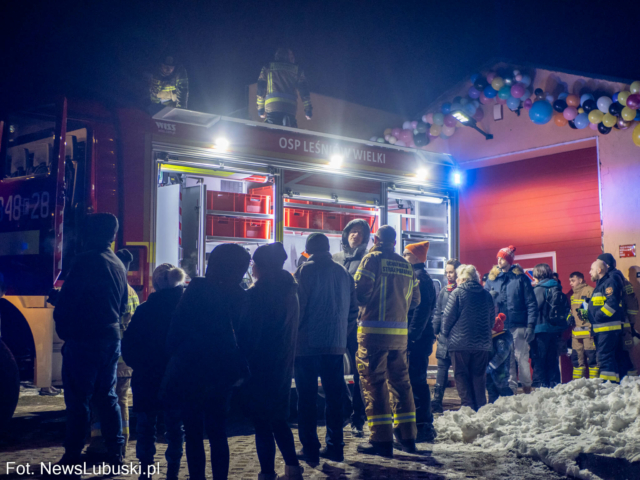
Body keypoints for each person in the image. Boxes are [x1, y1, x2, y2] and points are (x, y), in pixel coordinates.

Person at [163, 244, 250, 480]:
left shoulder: (198, 289)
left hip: (191, 372)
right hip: (223, 375)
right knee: (218, 433)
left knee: (193, 434)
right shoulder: (241, 296)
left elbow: (175, 331)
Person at [53, 213, 128, 468]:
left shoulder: (84, 261)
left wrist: (63, 324)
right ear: (112, 235)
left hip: (84, 339)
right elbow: (119, 305)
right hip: (110, 338)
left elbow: (68, 303)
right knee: (107, 398)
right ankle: (116, 453)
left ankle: (72, 455)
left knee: (78, 400)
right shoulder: (117, 263)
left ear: (89, 234)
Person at [235, 243, 304, 480]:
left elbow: (250, 335)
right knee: (278, 419)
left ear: (259, 266)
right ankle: (293, 469)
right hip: (283, 364)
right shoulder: (291, 290)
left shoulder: (256, 295)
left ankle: (266, 472)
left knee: (262, 424)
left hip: (260, 366)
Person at [354, 225, 420, 457]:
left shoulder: (371, 260)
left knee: (375, 385)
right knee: (402, 385)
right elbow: (416, 301)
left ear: (375, 239)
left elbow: (360, 294)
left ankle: (381, 441)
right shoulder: (406, 265)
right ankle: (408, 438)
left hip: (373, 336)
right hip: (399, 337)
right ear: (395, 242)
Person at [293, 233, 358, 463]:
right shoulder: (343, 272)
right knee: (334, 397)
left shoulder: (304, 271)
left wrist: (294, 335)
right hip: (335, 346)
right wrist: (342, 333)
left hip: (308, 346)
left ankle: (310, 447)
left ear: (308, 249)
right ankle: (335, 447)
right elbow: (353, 310)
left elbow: (297, 309)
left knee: (307, 399)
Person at [121, 264, 186, 480]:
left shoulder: (145, 310)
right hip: (177, 378)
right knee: (175, 428)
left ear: (157, 283)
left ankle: (146, 473)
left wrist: (139, 365)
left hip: (146, 378)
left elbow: (128, 345)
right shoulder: (185, 309)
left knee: (145, 428)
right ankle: (173, 474)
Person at [87, 249, 139, 458]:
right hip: (124, 358)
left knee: (105, 401)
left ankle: (103, 445)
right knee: (120, 400)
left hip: (110, 356)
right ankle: (118, 444)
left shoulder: (113, 290)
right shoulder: (131, 292)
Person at [333, 219, 371, 437]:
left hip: (357, 324)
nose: (355, 235)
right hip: (336, 323)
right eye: (352, 232)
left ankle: (358, 417)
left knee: (359, 373)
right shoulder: (336, 259)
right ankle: (346, 408)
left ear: (365, 237)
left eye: (359, 233)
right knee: (334, 371)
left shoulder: (367, 260)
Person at [485, 245, 539, 394]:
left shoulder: (520, 279)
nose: (499, 260)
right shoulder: (492, 280)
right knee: (507, 360)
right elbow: (484, 302)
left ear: (509, 260)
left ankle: (527, 388)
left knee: (521, 358)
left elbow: (531, 303)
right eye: (498, 258)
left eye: (502, 258)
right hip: (499, 328)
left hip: (518, 324)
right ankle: (511, 390)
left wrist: (530, 326)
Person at [441, 264, 494, 411]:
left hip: (460, 343)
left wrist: (444, 334)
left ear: (463, 278)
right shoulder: (486, 295)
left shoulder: (457, 293)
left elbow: (447, 318)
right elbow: (491, 319)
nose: (456, 280)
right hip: (482, 344)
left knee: (461, 375)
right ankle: (481, 407)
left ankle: (467, 406)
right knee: (479, 376)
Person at [402, 241, 437, 442]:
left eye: (407, 254)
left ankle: (423, 424)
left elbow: (421, 311)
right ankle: (422, 423)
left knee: (417, 381)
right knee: (417, 381)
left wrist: (412, 336)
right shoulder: (419, 277)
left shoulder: (420, 279)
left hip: (418, 339)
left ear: (416, 257)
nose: (404, 257)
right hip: (419, 338)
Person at [587, 254, 625, 383]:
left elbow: (612, 304)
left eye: (591, 269)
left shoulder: (609, 282)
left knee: (604, 357)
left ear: (599, 270)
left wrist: (597, 316)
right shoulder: (601, 284)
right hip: (602, 328)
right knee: (606, 357)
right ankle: (612, 383)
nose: (589, 272)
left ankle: (608, 386)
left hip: (607, 328)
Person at [531, 264, 569, 389]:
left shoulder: (539, 289)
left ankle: (540, 387)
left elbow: (533, 309)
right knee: (552, 361)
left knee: (539, 360)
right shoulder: (556, 287)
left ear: (538, 275)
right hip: (555, 330)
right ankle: (554, 386)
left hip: (541, 330)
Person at [431, 258, 461, 414]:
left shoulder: (461, 290)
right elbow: (438, 312)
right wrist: (435, 330)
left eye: (451, 272)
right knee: (441, 369)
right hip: (444, 336)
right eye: (447, 272)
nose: (449, 275)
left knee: (460, 370)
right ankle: (437, 401)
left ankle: (466, 400)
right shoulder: (443, 291)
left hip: (459, 337)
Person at [256, 47, 312, 128]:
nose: (294, 58)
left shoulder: (268, 67)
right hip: (290, 109)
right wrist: (308, 110)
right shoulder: (297, 70)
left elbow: (261, 88)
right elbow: (304, 91)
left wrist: (261, 109)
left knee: (271, 133)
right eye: (292, 56)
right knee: (290, 134)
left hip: (273, 107)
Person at [568, 272, 597, 379]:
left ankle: (595, 385)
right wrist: (569, 317)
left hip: (588, 332)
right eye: (570, 281)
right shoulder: (573, 294)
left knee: (592, 359)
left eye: (573, 280)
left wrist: (593, 329)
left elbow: (594, 312)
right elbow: (573, 312)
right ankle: (578, 385)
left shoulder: (590, 291)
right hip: (576, 333)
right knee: (576, 360)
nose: (571, 283)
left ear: (580, 280)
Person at [486, 314, 514, 403]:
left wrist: (491, 365)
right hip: (491, 371)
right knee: (491, 389)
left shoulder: (501, 341)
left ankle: (512, 403)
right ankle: (492, 405)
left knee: (503, 388)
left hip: (501, 371)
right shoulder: (493, 339)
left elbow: (501, 355)